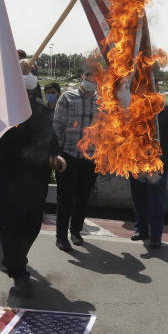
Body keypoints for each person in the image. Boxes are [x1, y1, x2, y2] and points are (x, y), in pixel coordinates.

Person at [0, 59, 65, 296]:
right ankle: (19, 273)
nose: (28, 76)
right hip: (7, 178)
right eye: (22, 71)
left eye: (31, 72)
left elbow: (51, 140)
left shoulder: (42, 110)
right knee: (11, 226)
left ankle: (15, 258)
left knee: (32, 226)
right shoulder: (3, 109)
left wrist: (56, 156)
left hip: (35, 181)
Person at [52, 69, 98, 252]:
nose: (91, 79)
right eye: (88, 75)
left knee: (83, 198)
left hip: (91, 158)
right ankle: (61, 236)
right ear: (82, 77)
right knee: (65, 198)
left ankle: (76, 231)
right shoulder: (67, 98)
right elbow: (57, 126)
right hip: (68, 156)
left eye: (95, 76)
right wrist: (56, 154)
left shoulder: (102, 102)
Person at [128, 104, 168, 249]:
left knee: (156, 201)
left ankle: (156, 236)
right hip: (136, 162)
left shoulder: (167, 110)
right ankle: (142, 230)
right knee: (139, 198)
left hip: (158, 163)